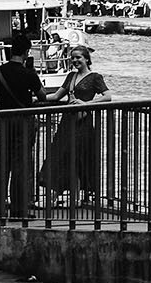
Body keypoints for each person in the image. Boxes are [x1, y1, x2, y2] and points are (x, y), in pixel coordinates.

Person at [37, 47, 108, 202]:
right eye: (73, 58)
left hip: (83, 122)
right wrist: (37, 98)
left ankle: (74, 196)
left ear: (87, 59)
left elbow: (107, 96)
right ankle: (62, 194)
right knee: (60, 155)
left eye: (78, 58)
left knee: (78, 156)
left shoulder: (95, 77)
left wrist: (87, 103)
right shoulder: (71, 76)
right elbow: (56, 96)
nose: (75, 61)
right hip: (67, 121)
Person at [0, 32, 46, 219]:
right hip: (23, 121)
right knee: (20, 165)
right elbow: (42, 96)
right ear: (26, 52)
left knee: (2, 164)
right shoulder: (29, 74)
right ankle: (18, 209)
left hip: (3, 120)